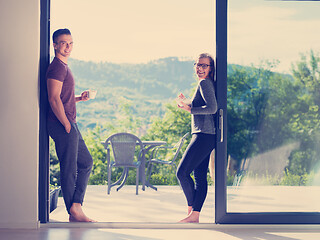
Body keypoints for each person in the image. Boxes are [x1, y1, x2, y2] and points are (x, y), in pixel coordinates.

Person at [46, 28, 95, 222]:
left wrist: (78, 99)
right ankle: (73, 211)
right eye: (64, 43)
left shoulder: (63, 66)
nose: (68, 46)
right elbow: (52, 98)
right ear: (55, 45)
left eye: (71, 43)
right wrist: (66, 124)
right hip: (62, 124)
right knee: (69, 167)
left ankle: (76, 206)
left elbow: (63, 97)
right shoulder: (57, 67)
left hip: (69, 123)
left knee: (86, 162)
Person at [176, 53, 217, 223]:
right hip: (204, 134)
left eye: (204, 65)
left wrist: (190, 110)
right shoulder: (206, 83)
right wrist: (188, 103)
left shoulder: (204, 83)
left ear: (210, 68)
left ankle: (192, 209)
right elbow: (203, 104)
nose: (200, 68)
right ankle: (194, 215)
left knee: (182, 173)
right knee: (199, 176)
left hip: (203, 135)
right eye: (197, 65)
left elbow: (212, 108)